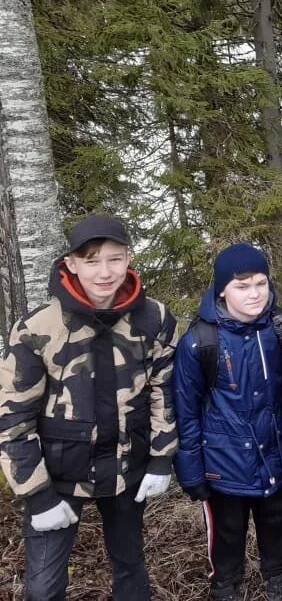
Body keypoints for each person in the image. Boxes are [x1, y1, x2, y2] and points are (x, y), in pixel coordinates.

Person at [0, 214, 178, 600]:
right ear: (71, 264)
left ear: (129, 258)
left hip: (127, 470)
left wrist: (162, 458)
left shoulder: (154, 318)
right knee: (43, 587)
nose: (104, 272)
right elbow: (13, 417)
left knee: (131, 567)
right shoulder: (36, 328)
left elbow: (165, 388)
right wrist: (37, 495)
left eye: (114, 259)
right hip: (58, 476)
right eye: (92, 260)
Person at [173, 243, 282, 601]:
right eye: (242, 286)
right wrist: (190, 471)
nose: (254, 294)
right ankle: (226, 587)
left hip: (276, 453)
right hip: (223, 465)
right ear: (222, 289)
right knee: (228, 533)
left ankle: (278, 582)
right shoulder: (198, 343)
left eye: (260, 283)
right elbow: (186, 412)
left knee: (277, 525)